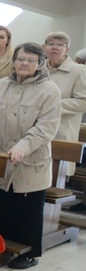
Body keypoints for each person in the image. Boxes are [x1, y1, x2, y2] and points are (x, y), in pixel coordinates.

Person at [0, 43, 61, 269]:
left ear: (40, 64)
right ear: (14, 61)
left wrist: (22, 147)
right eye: (21, 59)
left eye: (31, 60)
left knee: (27, 209)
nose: (25, 64)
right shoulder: (0, 86)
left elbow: (45, 128)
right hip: (2, 157)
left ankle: (29, 253)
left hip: (30, 160)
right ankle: (3, 248)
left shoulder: (49, 91)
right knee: (3, 206)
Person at [43, 31, 86, 177]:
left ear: (67, 49)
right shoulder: (38, 69)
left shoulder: (78, 70)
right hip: (38, 129)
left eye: (60, 45)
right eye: (50, 44)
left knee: (56, 176)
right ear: (44, 48)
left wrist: (53, 106)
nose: (54, 48)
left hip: (62, 129)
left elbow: (83, 102)